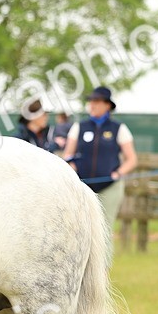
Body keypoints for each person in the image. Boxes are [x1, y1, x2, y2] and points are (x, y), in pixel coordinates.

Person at [61, 86, 139, 231]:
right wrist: (71, 166)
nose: (92, 105)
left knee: (104, 230)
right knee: (80, 230)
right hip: (82, 186)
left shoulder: (119, 128)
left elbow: (132, 159)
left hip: (109, 187)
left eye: (97, 101)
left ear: (107, 105)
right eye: (91, 101)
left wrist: (118, 173)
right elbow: (67, 154)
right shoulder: (79, 127)